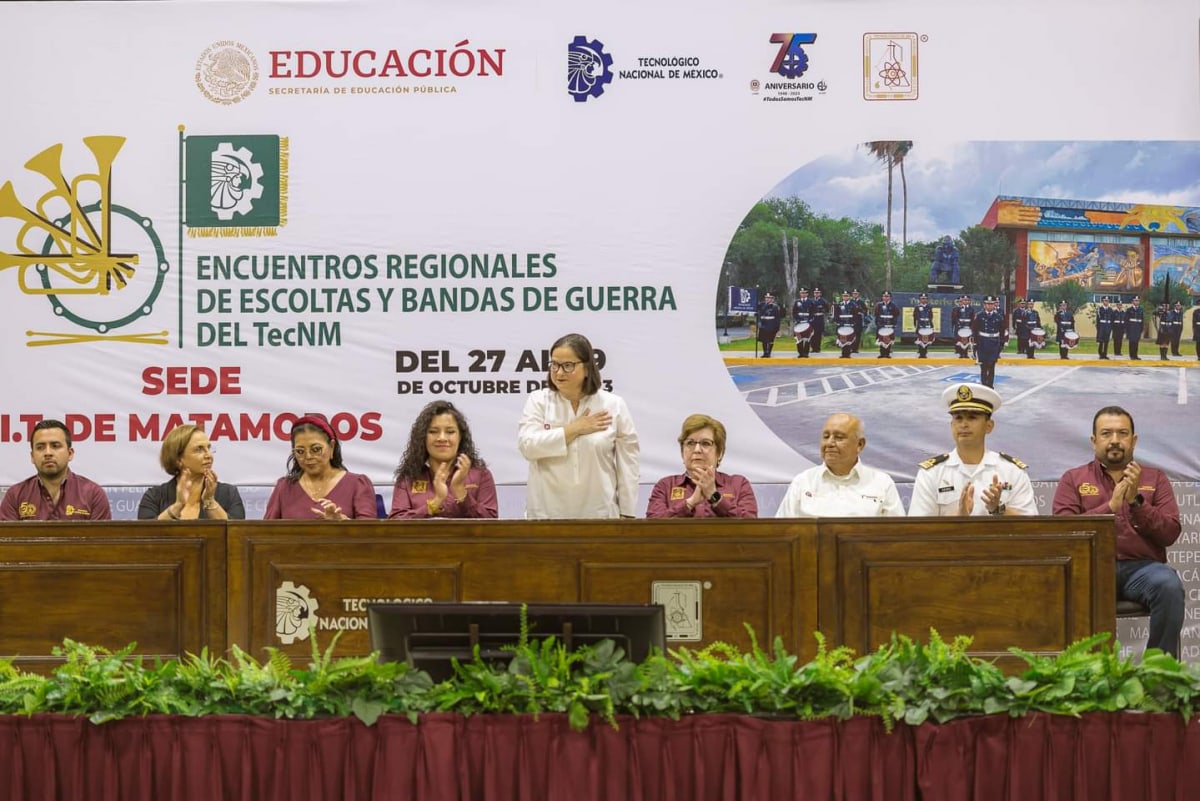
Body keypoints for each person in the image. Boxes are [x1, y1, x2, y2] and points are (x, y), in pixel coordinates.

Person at [1052, 406, 1183, 658]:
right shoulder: (1073, 478)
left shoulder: (1155, 478)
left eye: (1122, 433)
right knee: (1062, 589)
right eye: (1106, 433)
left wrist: (1136, 502)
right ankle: (1088, 671)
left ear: (1134, 440)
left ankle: (1158, 671)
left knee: (1169, 585)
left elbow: (1170, 533)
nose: (1114, 440)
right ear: (1094, 441)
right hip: (1091, 569)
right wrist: (1109, 508)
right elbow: (1064, 534)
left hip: (1143, 570)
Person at [518, 333, 639, 519]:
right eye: (554, 365)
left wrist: (628, 513)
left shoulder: (613, 405)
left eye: (568, 366)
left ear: (587, 369)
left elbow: (628, 464)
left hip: (600, 515)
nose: (559, 373)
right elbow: (528, 446)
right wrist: (575, 428)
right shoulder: (538, 400)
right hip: (545, 515)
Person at [908, 383, 1037, 517]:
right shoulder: (931, 473)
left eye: (972, 417)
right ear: (952, 425)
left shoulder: (1012, 471)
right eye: (958, 418)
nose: (964, 424)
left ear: (989, 426)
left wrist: (999, 509)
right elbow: (918, 528)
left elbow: (1032, 525)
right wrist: (959, 516)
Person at [776, 413, 904, 517]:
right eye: (826, 436)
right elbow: (782, 532)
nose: (829, 443)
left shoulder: (882, 483)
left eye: (839, 437)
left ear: (860, 444)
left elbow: (898, 534)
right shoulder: (803, 482)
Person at [390, 400, 498, 519]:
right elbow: (395, 524)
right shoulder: (408, 478)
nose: (442, 438)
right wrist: (436, 502)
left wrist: (460, 492)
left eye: (450, 432)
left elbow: (492, 523)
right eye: (433, 432)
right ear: (423, 437)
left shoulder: (481, 475)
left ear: (460, 437)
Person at [264, 414, 377, 520]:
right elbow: (265, 531)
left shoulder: (357, 484)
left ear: (332, 446)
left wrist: (343, 523)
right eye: (300, 451)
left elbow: (371, 532)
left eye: (316, 449)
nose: (308, 456)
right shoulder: (284, 487)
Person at [646, 414, 757, 518]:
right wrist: (689, 503)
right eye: (690, 443)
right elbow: (652, 526)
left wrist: (714, 496)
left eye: (705, 443)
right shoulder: (665, 486)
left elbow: (751, 524)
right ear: (682, 452)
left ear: (719, 453)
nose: (697, 450)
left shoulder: (738, 484)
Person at [0, 419, 110, 521]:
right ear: (32, 456)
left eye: (55, 446)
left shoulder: (93, 495)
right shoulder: (15, 496)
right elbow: (7, 536)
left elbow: (102, 536)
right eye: (40, 447)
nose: (48, 453)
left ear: (70, 453)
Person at [137, 424, 244, 521]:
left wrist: (209, 501)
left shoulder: (229, 494)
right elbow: (146, 533)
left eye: (209, 448)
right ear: (178, 459)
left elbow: (236, 532)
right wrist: (178, 506)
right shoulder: (154, 497)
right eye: (199, 449)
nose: (209, 455)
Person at [972, 295, 1006, 388]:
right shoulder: (979, 316)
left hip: (994, 343)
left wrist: (1001, 343)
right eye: (987, 304)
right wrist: (975, 343)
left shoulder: (999, 317)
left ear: (994, 305)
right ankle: (984, 385)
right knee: (983, 366)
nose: (989, 306)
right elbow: (975, 330)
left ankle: (990, 386)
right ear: (984, 305)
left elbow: (1002, 331)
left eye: (991, 304)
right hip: (982, 343)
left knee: (991, 365)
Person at [873, 291, 899, 359]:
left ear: (890, 297)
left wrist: (893, 324)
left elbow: (896, 315)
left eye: (887, 296)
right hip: (881, 325)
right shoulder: (879, 305)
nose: (886, 298)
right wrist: (878, 324)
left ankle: (887, 354)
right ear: (882, 297)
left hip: (889, 325)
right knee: (881, 339)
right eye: (884, 296)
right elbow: (876, 315)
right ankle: (882, 354)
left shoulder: (893, 305)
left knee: (888, 339)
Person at [756, 291, 782, 358]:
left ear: (772, 299)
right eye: (766, 297)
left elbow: (777, 318)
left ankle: (769, 352)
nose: (767, 299)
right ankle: (765, 353)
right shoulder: (762, 305)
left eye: (769, 298)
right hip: (763, 324)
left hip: (771, 324)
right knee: (764, 340)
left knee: (770, 340)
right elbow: (757, 311)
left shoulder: (775, 307)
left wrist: (777, 328)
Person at [835, 289, 857, 358]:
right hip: (842, 325)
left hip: (850, 325)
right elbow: (836, 315)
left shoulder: (853, 304)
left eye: (847, 296)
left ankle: (848, 354)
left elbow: (855, 315)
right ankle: (843, 354)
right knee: (843, 339)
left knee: (848, 339)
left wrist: (853, 323)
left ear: (849, 297)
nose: (845, 297)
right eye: (844, 296)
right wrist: (838, 322)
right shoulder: (839, 305)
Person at [792, 287, 813, 358]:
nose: (803, 294)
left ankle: (806, 353)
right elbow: (794, 312)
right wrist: (796, 319)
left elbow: (813, 312)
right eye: (801, 293)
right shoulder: (797, 302)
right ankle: (800, 353)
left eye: (804, 293)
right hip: (799, 322)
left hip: (807, 321)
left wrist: (810, 319)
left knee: (807, 338)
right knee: (799, 338)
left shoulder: (810, 302)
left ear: (807, 294)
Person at [952, 295, 975, 360]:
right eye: (964, 300)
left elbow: (973, 318)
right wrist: (958, 324)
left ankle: (966, 353)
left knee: (967, 340)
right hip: (960, 326)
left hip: (968, 326)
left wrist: (971, 326)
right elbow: (955, 318)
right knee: (961, 340)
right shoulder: (958, 309)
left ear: (969, 301)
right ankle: (961, 353)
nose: (965, 301)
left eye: (967, 300)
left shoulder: (971, 309)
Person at [912, 292, 935, 359]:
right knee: (920, 339)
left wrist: (931, 325)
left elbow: (931, 316)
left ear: (927, 299)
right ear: (919, 299)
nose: (924, 300)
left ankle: (925, 352)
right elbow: (915, 317)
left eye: (925, 298)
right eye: (922, 298)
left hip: (927, 325)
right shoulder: (917, 307)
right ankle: (921, 353)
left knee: (926, 339)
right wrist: (917, 325)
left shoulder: (929, 307)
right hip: (920, 325)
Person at [809, 287, 829, 353]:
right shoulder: (811, 300)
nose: (816, 294)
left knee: (818, 334)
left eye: (817, 293)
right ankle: (813, 348)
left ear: (820, 293)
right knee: (812, 334)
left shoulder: (823, 301)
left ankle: (817, 348)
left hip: (820, 318)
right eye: (815, 293)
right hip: (813, 318)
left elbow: (827, 309)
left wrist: (823, 310)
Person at [1125, 296, 1144, 360]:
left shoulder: (1141, 309)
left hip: (1138, 327)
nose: (1137, 302)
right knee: (1132, 342)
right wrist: (1127, 330)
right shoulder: (1129, 310)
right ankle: (1132, 355)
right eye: (1135, 300)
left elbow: (1142, 319)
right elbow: (1126, 320)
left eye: (1138, 300)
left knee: (1136, 342)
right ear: (1132, 301)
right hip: (1131, 327)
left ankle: (1135, 355)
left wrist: (1141, 328)